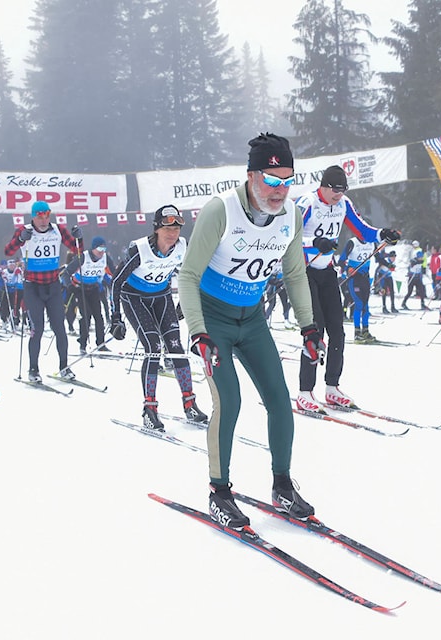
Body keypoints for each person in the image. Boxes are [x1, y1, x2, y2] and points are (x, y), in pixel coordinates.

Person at [177, 132, 320, 529]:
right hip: (214, 320)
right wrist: (199, 332)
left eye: (287, 180)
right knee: (231, 401)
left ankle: (282, 485)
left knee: (279, 398)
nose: (280, 190)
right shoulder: (220, 210)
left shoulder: (290, 215)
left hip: (252, 319)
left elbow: (295, 272)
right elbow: (188, 276)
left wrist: (309, 327)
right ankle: (219, 493)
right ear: (251, 176)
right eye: (271, 181)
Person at [293, 165, 401, 412]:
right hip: (305, 271)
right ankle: (304, 391)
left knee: (338, 331)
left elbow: (362, 229)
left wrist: (383, 233)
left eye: (342, 191)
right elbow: (288, 234)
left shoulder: (343, 204)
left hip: (327, 271)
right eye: (334, 191)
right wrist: (315, 242)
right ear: (324, 186)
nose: (338, 195)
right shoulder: (308, 202)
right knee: (314, 331)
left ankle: (332, 387)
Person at [110, 206, 207, 429]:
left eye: (176, 228)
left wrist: (185, 302)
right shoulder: (139, 249)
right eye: (167, 228)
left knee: (175, 347)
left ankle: (190, 405)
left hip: (162, 297)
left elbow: (191, 275)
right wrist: (115, 317)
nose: (173, 233)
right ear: (157, 228)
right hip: (135, 299)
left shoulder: (182, 246)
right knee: (153, 348)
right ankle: (150, 410)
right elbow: (116, 282)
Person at [4, 200, 82, 382]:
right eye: (40, 216)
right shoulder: (25, 230)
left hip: (53, 286)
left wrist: (79, 237)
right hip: (33, 287)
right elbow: (8, 251)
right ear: (33, 216)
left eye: (47, 215)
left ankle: (64, 367)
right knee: (36, 330)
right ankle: (33, 369)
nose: (44, 220)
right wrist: (21, 239)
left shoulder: (58, 229)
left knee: (60, 329)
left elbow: (78, 249)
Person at [67, 236, 114, 354]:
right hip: (80, 289)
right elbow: (66, 272)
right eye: (99, 248)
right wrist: (70, 285)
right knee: (86, 316)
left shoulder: (105, 258)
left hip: (94, 288)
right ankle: (82, 344)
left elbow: (114, 272)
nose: (102, 251)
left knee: (99, 317)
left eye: (104, 248)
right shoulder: (83, 257)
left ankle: (101, 343)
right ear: (93, 248)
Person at [339, 235, 377, 343]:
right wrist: (348, 269)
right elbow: (341, 260)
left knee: (366, 306)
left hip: (365, 279)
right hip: (354, 279)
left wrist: (388, 264)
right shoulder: (352, 242)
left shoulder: (372, 243)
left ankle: (365, 331)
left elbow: (379, 257)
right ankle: (357, 333)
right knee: (359, 304)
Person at [401, 242, 430, 310]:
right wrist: (417, 262)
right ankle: (403, 303)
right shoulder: (413, 261)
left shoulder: (421, 260)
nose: (421, 258)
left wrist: (423, 269)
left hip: (418, 278)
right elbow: (413, 263)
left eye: (422, 257)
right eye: (420, 257)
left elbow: (422, 262)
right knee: (410, 292)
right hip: (412, 278)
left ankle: (422, 304)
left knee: (422, 291)